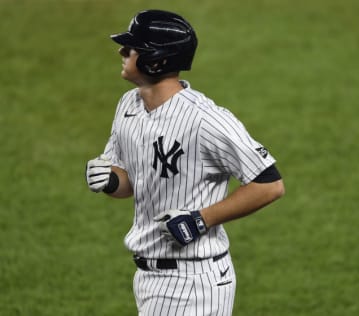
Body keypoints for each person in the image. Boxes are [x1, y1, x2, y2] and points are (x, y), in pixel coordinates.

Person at [85, 9, 285, 316]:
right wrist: (110, 180)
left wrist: (200, 219)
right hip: (148, 279)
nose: (122, 52)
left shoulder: (205, 120)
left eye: (132, 47)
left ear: (157, 59)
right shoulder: (129, 105)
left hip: (195, 282)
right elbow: (130, 183)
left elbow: (270, 184)